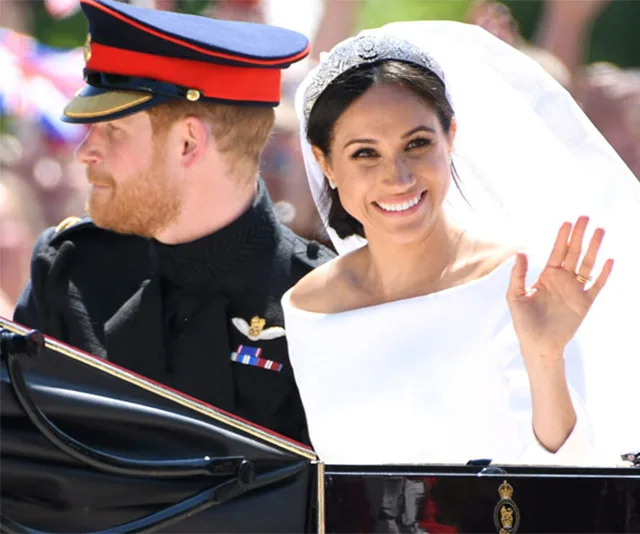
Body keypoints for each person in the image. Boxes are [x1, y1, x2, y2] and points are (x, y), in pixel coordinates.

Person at [283, 22, 640, 464]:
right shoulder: (310, 305)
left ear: (451, 138)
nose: (399, 177)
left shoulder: (521, 281)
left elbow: (572, 474)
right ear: (325, 163)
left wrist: (547, 357)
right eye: (365, 153)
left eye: (416, 144)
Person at [12, 0, 335, 444]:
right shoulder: (68, 273)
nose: (85, 151)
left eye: (113, 130)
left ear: (187, 142)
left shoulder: (321, 301)